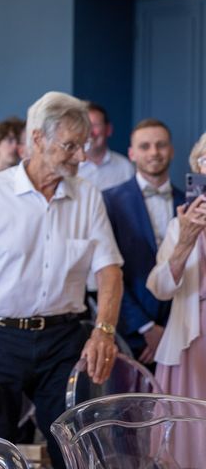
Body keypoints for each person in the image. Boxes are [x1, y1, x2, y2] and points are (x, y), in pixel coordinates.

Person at [0, 91, 124, 469]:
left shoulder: (87, 195)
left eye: (84, 146)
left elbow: (110, 270)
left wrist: (103, 330)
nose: (82, 157)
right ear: (37, 139)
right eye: (70, 146)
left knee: (76, 446)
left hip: (63, 340)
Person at [145, 132, 206, 468]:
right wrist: (185, 241)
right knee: (188, 442)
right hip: (189, 341)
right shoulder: (178, 224)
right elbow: (160, 288)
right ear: (197, 169)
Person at [103, 119, 183, 365]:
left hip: (181, 331)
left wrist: (171, 331)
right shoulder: (109, 201)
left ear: (171, 150)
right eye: (145, 146)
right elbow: (108, 271)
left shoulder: (190, 202)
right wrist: (146, 328)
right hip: (128, 335)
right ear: (132, 153)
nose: (154, 153)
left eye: (161, 145)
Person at [77, 102, 134, 191]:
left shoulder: (126, 168)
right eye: (85, 126)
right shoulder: (69, 168)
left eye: (95, 125)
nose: (90, 132)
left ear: (108, 129)